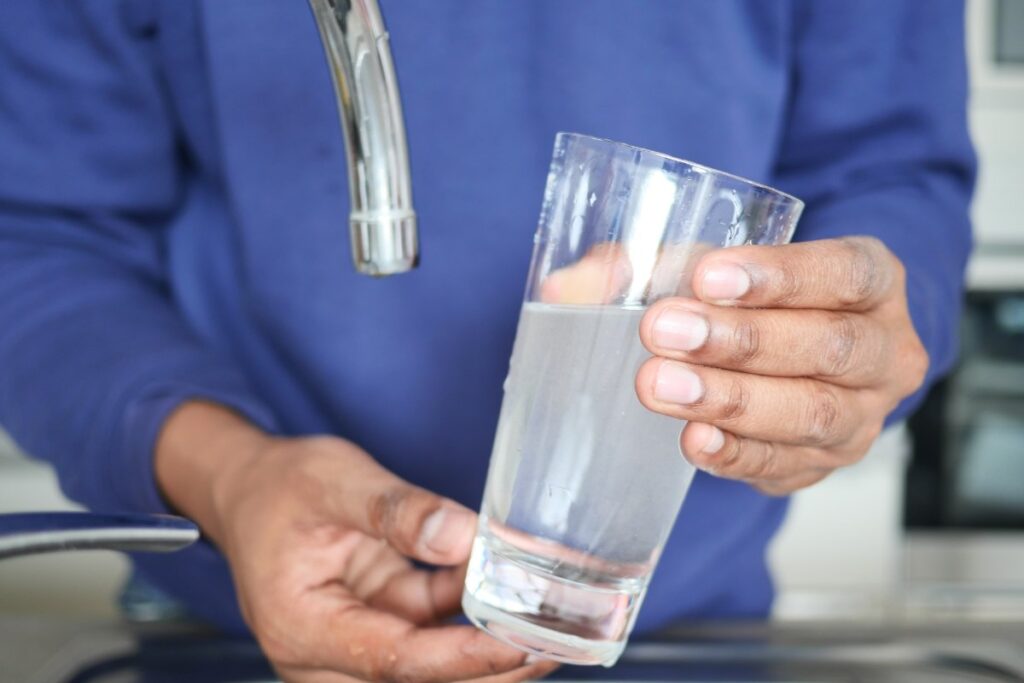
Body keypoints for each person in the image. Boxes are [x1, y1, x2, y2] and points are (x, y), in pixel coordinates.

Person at [0, 2, 973, 682]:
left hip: (674, 619)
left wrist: (856, 339)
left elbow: (890, 170)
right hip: (227, 609)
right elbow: (38, 237)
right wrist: (231, 474)